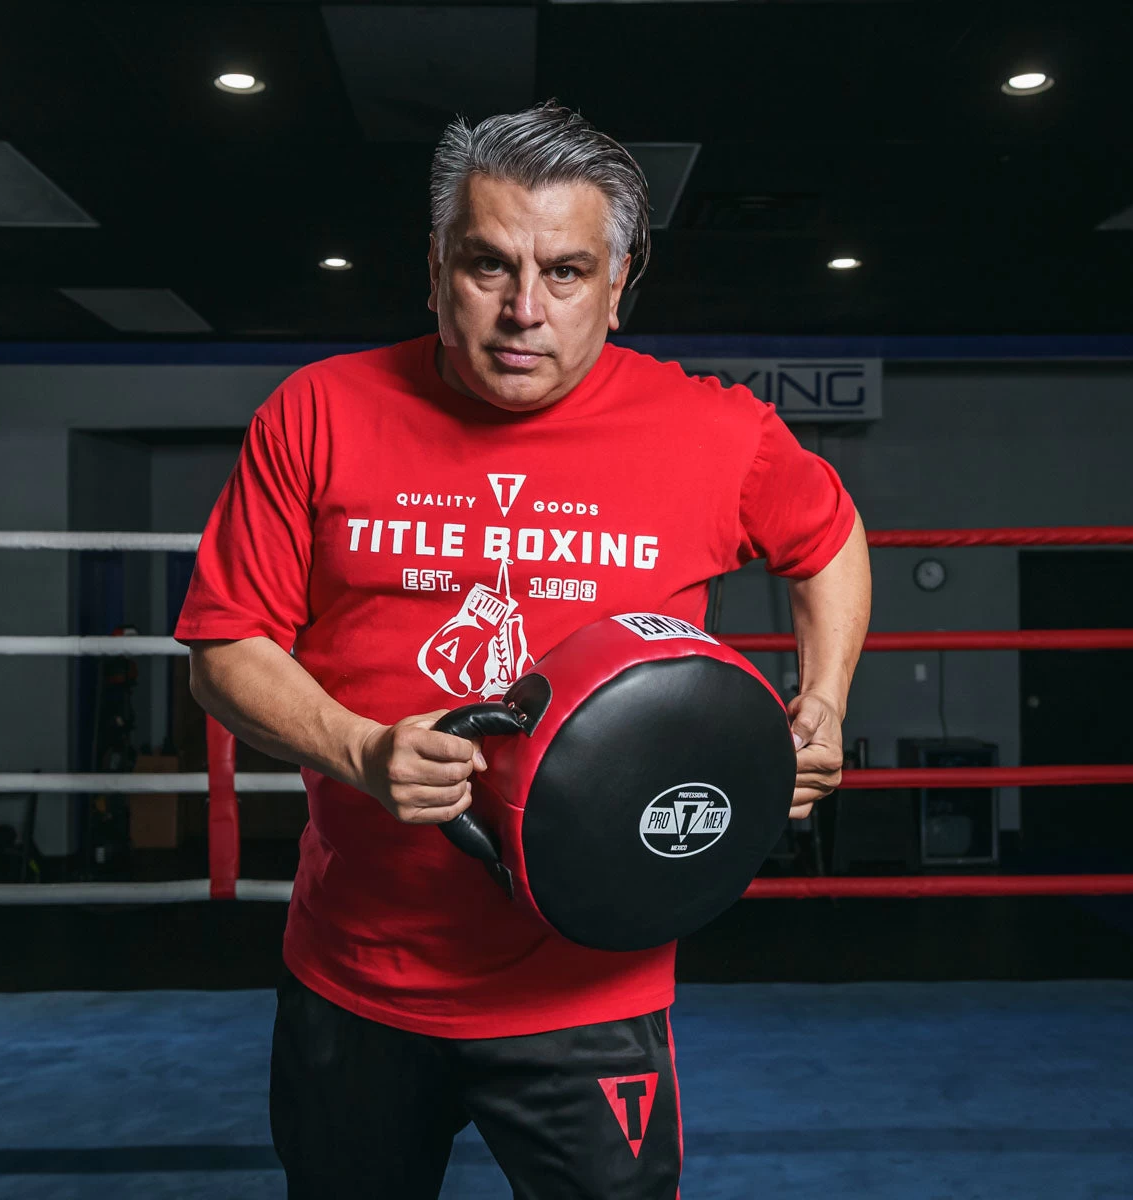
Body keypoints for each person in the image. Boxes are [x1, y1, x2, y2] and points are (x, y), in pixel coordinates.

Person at [176, 100, 872, 1200]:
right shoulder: (319, 413)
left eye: (566, 272)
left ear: (618, 282)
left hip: (591, 985)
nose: (523, 311)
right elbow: (226, 643)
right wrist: (360, 749)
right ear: (435, 267)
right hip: (362, 971)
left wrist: (822, 700)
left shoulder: (714, 432)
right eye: (488, 265)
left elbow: (828, 541)